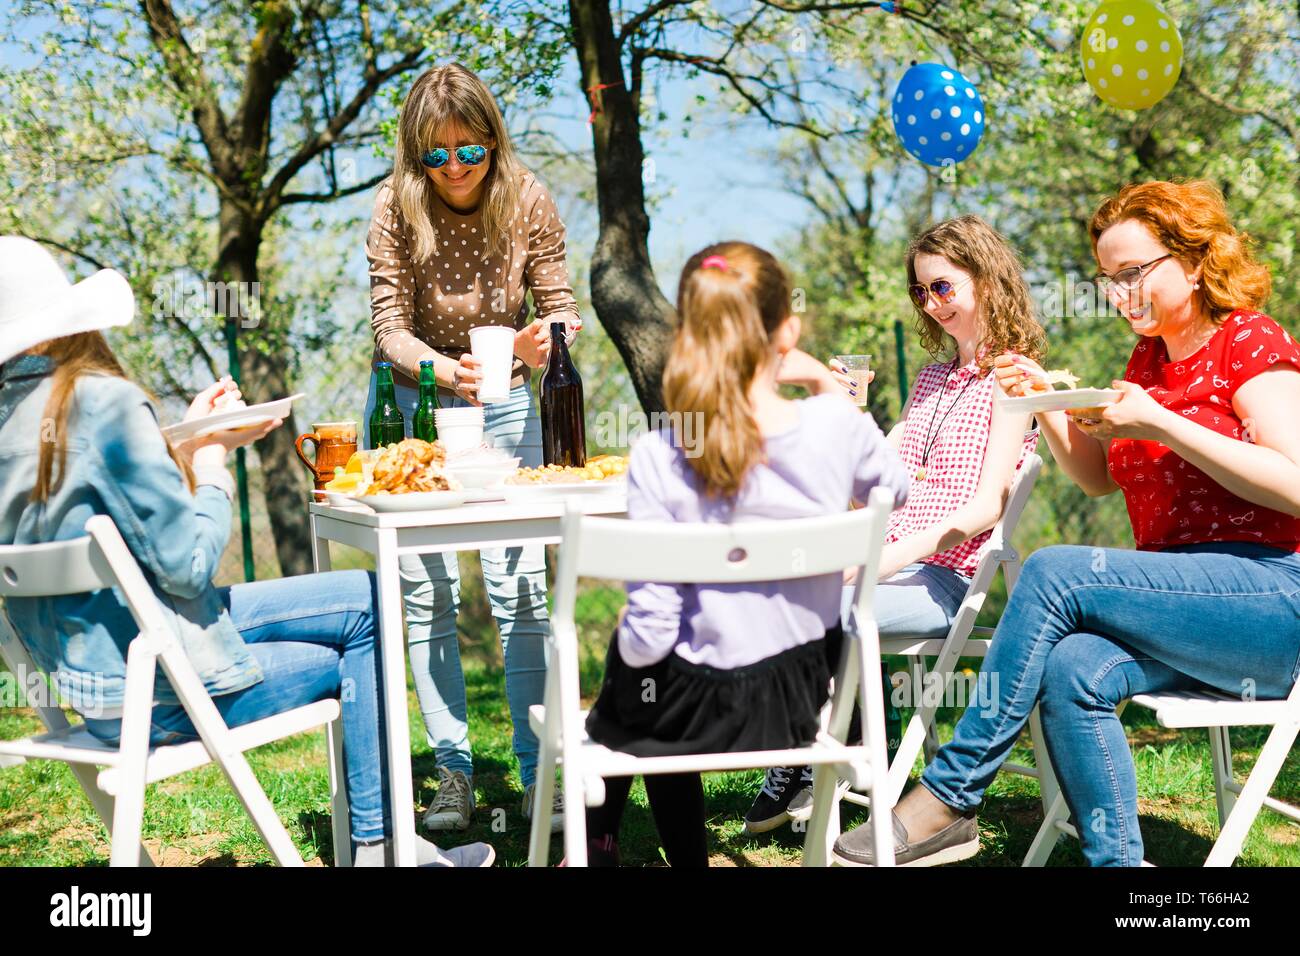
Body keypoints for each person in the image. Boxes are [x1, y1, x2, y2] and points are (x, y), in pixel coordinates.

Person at [833, 179, 1300, 866]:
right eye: (1108, 279)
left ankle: (951, 794)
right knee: (1072, 665)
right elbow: (1097, 479)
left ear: (1195, 262)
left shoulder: (1248, 341)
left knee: (1052, 567)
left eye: (1133, 273)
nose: (1118, 294)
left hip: (1270, 603)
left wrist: (1160, 423)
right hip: (1186, 603)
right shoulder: (1148, 360)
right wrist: (1050, 402)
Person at [0, 236, 493, 867]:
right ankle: (381, 849)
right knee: (359, 631)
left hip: (93, 695)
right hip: (166, 695)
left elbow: (103, 509)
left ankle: (385, 844)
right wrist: (212, 460)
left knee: (365, 594)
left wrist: (172, 443)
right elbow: (187, 565)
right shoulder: (101, 402)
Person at [576, 241, 911, 866]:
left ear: (690, 333)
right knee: (647, 675)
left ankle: (597, 846)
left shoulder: (662, 452)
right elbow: (895, 490)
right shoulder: (837, 427)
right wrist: (821, 385)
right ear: (789, 329)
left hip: (696, 716)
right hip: (808, 706)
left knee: (638, 669)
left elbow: (651, 634)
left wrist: (635, 660)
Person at [745, 215, 1043, 833]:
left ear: (986, 279)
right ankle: (818, 759)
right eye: (920, 291)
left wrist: (881, 560)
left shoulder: (1014, 376)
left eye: (943, 287)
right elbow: (879, 482)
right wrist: (841, 411)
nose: (932, 304)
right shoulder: (931, 380)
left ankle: (816, 764)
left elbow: (986, 507)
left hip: (946, 580)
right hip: (892, 566)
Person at [365, 63, 581, 831]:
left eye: (471, 150)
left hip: (507, 405)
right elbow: (387, 324)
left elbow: (562, 310)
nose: (455, 167)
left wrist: (539, 343)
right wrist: (434, 367)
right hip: (415, 410)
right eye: (437, 154)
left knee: (520, 590)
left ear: (494, 141)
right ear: (415, 155)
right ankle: (453, 775)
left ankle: (536, 775)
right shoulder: (394, 205)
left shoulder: (527, 198)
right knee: (426, 595)